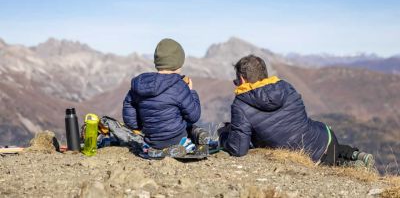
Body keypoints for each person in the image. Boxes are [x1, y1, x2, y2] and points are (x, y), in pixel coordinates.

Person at [219, 54, 374, 167]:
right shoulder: (285, 86)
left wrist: (225, 135)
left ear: (243, 79)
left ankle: (350, 165)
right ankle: (355, 155)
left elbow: (238, 149)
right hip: (327, 138)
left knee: (319, 154)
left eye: (236, 81)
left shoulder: (240, 104)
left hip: (311, 160)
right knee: (314, 135)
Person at [122, 38, 208, 157]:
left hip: (151, 140)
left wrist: (141, 126)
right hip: (177, 138)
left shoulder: (138, 86)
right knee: (189, 126)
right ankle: (194, 137)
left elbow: (130, 118)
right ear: (179, 63)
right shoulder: (179, 86)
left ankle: (156, 151)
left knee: (153, 143)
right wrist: (191, 92)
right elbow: (194, 116)